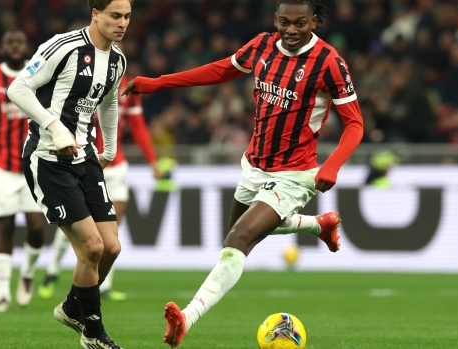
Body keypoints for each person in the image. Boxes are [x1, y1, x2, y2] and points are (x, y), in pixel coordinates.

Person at [123, 0, 364, 346]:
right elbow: (219, 70)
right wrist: (158, 83)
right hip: (253, 165)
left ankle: (186, 320)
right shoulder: (263, 46)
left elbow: (355, 124)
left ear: (314, 20)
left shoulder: (329, 63)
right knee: (239, 236)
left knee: (238, 240)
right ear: (276, 19)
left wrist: (332, 165)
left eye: (300, 23)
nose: (291, 30)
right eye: (285, 22)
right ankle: (318, 224)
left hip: (295, 174)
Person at [7, 0, 130, 347]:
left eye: (127, 17)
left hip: (86, 157)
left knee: (111, 248)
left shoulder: (118, 59)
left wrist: (109, 148)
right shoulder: (64, 46)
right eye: (115, 16)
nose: (122, 23)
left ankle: (73, 308)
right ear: (95, 13)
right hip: (48, 158)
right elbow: (17, 89)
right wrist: (54, 127)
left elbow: (109, 102)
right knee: (90, 247)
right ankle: (93, 334)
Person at [39, 75, 162, 301]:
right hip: (84, 162)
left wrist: (152, 161)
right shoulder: (81, 79)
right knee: (78, 222)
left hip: (116, 166)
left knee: (112, 227)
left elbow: (138, 125)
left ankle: (105, 285)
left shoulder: (127, 85)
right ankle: (53, 271)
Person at [0, 30, 46, 313]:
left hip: (34, 163)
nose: (15, 47)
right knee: (5, 227)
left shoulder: (38, 73)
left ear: (27, 46)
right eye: (9, 43)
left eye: (20, 42)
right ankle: (2, 294)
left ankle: (26, 273)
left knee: (37, 228)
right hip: (2, 166)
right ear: (1, 48)